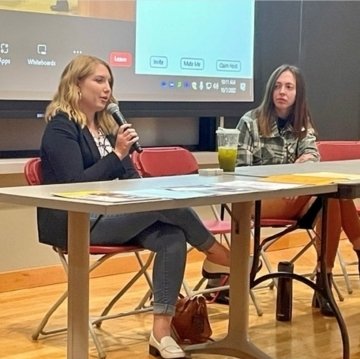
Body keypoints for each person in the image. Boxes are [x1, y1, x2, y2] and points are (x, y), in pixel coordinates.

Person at [37, 54, 230, 359]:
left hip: (114, 215)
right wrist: (116, 153)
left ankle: (161, 335)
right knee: (168, 207)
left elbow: (130, 177)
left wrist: (129, 166)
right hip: (78, 222)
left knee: (172, 236)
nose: (106, 89)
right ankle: (216, 253)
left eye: (109, 82)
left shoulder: (107, 126)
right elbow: (74, 184)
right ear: (76, 84)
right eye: (98, 80)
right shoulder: (61, 128)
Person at [234, 63, 353, 317]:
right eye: (277, 86)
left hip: (295, 197)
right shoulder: (250, 122)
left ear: (298, 94)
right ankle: (352, 255)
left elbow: (312, 154)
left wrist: (304, 165)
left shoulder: (302, 123)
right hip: (259, 200)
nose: (282, 92)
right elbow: (240, 172)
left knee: (332, 198)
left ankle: (324, 281)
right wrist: (285, 179)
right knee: (332, 192)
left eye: (289, 87)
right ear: (270, 91)